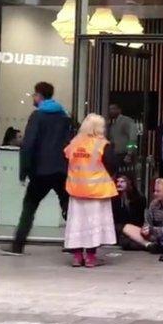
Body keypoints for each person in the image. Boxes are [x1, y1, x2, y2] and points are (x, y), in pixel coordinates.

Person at [1, 82, 74, 256]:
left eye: (34, 94)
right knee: (68, 206)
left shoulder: (37, 116)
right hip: (61, 170)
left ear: (40, 96)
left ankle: (18, 245)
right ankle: (75, 243)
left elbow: (28, 145)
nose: (33, 98)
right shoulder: (65, 117)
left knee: (30, 206)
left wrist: (24, 170)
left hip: (41, 171)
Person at [63, 114, 119, 267]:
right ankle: (90, 257)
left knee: (76, 224)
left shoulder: (73, 144)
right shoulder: (102, 144)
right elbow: (113, 164)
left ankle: (76, 257)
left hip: (76, 190)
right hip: (96, 191)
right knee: (93, 225)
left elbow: (66, 161)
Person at [120, 178, 163, 252]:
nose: (155, 194)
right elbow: (147, 222)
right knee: (127, 229)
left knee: (130, 242)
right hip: (152, 236)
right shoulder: (154, 204)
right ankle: (149, 245)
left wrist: (153, 230)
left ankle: (149, 245)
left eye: (158, 191)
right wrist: (145, 229)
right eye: (154, 191)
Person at [112, 175, 146, 250]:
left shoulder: (139, 199)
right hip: (120, 228)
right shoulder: (114, 199)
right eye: (117, 181)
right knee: (127, 243)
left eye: (122, 181)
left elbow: (140, 218)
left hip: (134, 228)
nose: (118, 184)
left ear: (129, 182)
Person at [107, 103, 138, 167]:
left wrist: (129, 154)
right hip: (115, 155)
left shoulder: (127, 121)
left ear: (119, 110)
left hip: (125, 155)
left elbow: (133, 138)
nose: (111, 111)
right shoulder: (112, 123)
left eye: (113, 109)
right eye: (110, 109)